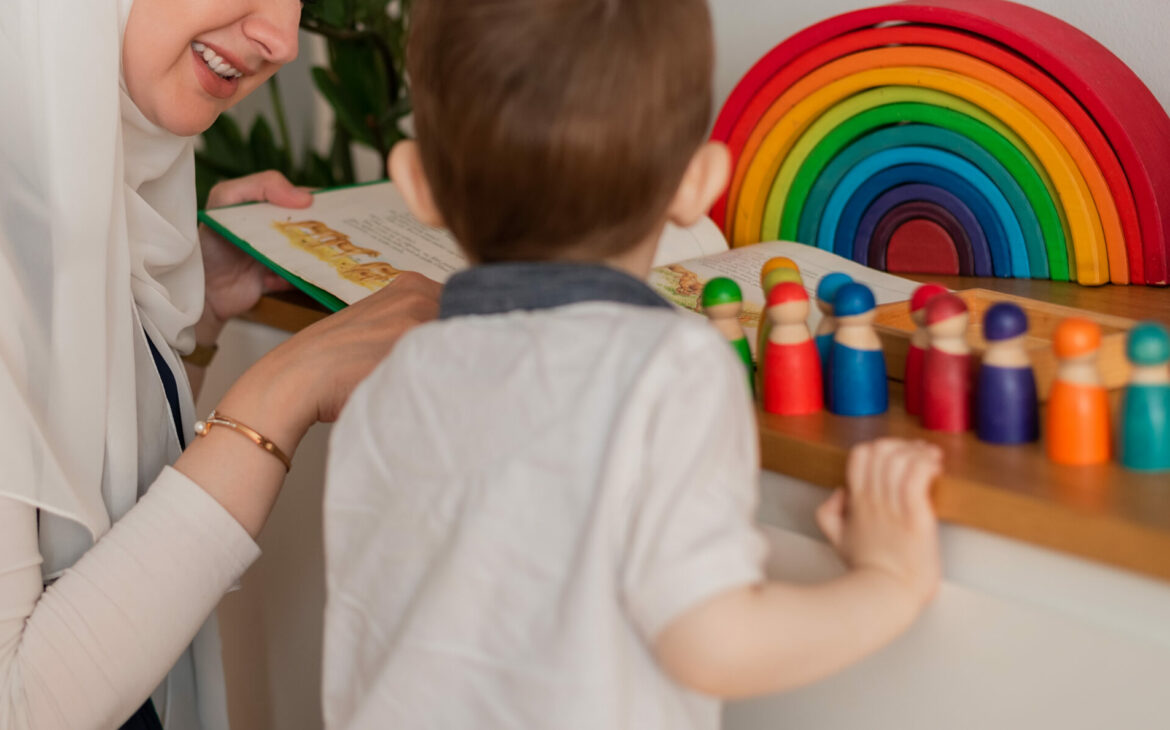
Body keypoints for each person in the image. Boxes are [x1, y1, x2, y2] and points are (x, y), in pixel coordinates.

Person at [321, 1, 943, 728]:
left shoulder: (390, 380)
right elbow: (712, 644)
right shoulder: (670, 371)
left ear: (415, 182)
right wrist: (890, 580)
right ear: (697, 183)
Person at [0, 1, 439, 728]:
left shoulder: (64, 205)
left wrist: (195, 330)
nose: (284, 40)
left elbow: (83, 536)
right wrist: (281, 394)